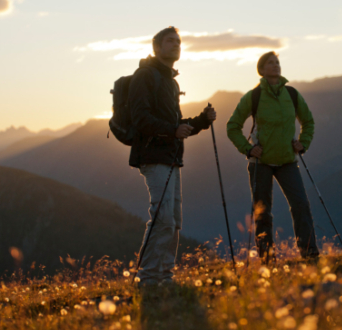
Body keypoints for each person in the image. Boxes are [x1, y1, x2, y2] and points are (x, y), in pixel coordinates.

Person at [129, 26, 216, 286]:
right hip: (154, 156)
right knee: (163, 216)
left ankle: (163, 277)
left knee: (172, 220)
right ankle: (149, 279)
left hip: (171, 157)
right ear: (156, 47)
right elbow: (140, 118)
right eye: (170, 41)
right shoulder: (145, 76)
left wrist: (201, 120)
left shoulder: (170, 80)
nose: (176, 45)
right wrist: (172, 130)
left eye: (179, 41)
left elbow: (177, 124)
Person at [227, 51, 319, 261]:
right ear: (261, 69)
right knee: (263, 212)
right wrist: (248, 149)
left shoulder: (292, 94)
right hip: (260, 163)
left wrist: (302, 143)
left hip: (287, 160)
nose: (276, 65)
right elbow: (232, 126)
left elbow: (308, 121)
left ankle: (310, 254)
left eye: (277, 62)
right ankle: (268, 260)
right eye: (270, 63)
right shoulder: (254, 96)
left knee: (301, 205)